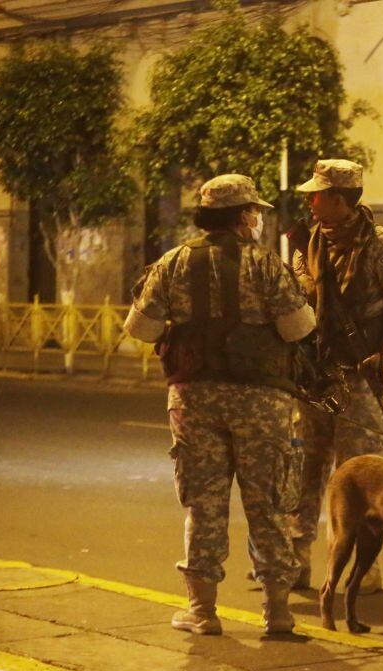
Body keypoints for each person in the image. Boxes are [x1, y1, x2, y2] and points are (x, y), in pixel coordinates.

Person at [124, 174, 316, 635]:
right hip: (262, 402)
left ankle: (202, 611)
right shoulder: (267, 266)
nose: (258, 220)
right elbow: (298, 329)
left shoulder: (171, 263)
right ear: (242, 215)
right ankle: (278, 612)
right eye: (255, 212)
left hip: (194, 399)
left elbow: (141, 329)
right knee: (267, 503)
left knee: (204, 504)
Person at [288, 159, 383, 591]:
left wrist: (379, 353)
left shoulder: (381, 247)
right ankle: (294, 560)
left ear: (341, 199)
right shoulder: (306, 245)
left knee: (360, 480)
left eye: (318, 194)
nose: (310, 202)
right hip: (313, 380)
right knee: (304, 471)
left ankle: (364, 569)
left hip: (356, 383)